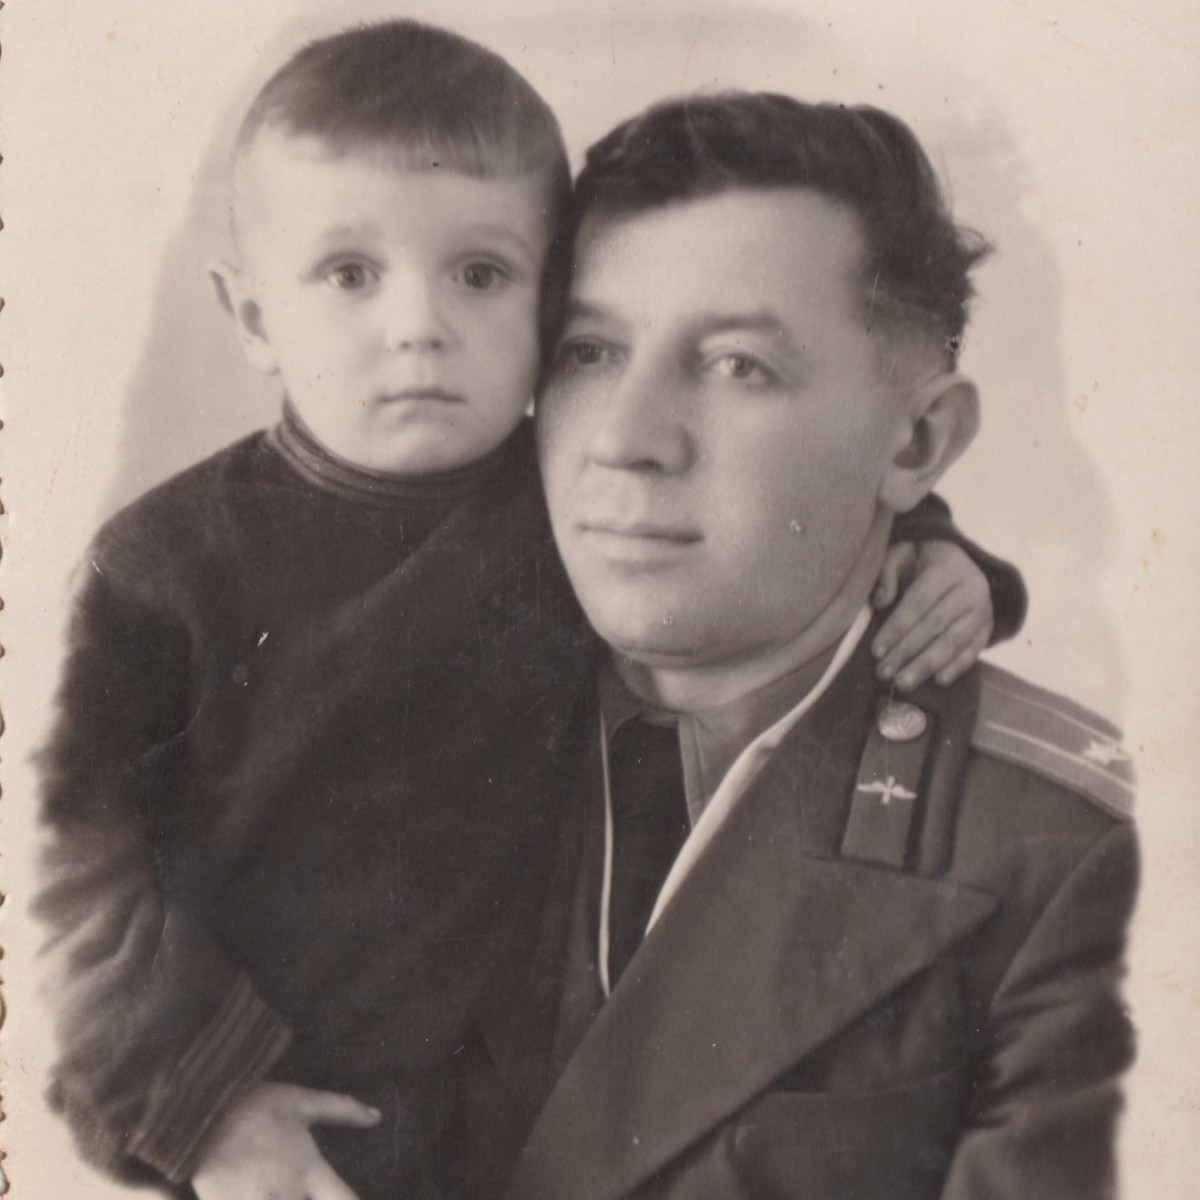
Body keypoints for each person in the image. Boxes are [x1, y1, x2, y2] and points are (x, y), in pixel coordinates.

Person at [36, 25, 1024, 1200]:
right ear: (251, 318)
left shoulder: (562, 499)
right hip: (257, 1107)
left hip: (523, 1107)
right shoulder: (161, 566)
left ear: (546, 303)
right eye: (351, 275)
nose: (419, 327)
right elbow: (58, 872)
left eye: (481, 275)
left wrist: (936, 551)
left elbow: (803, 500)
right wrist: (201, 1108)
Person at [466, 94, 1137, 1200]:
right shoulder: (407, 732)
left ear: (916, 442)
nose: (625, 442)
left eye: (737, 366)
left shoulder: (1077, 861)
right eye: (587, 351)